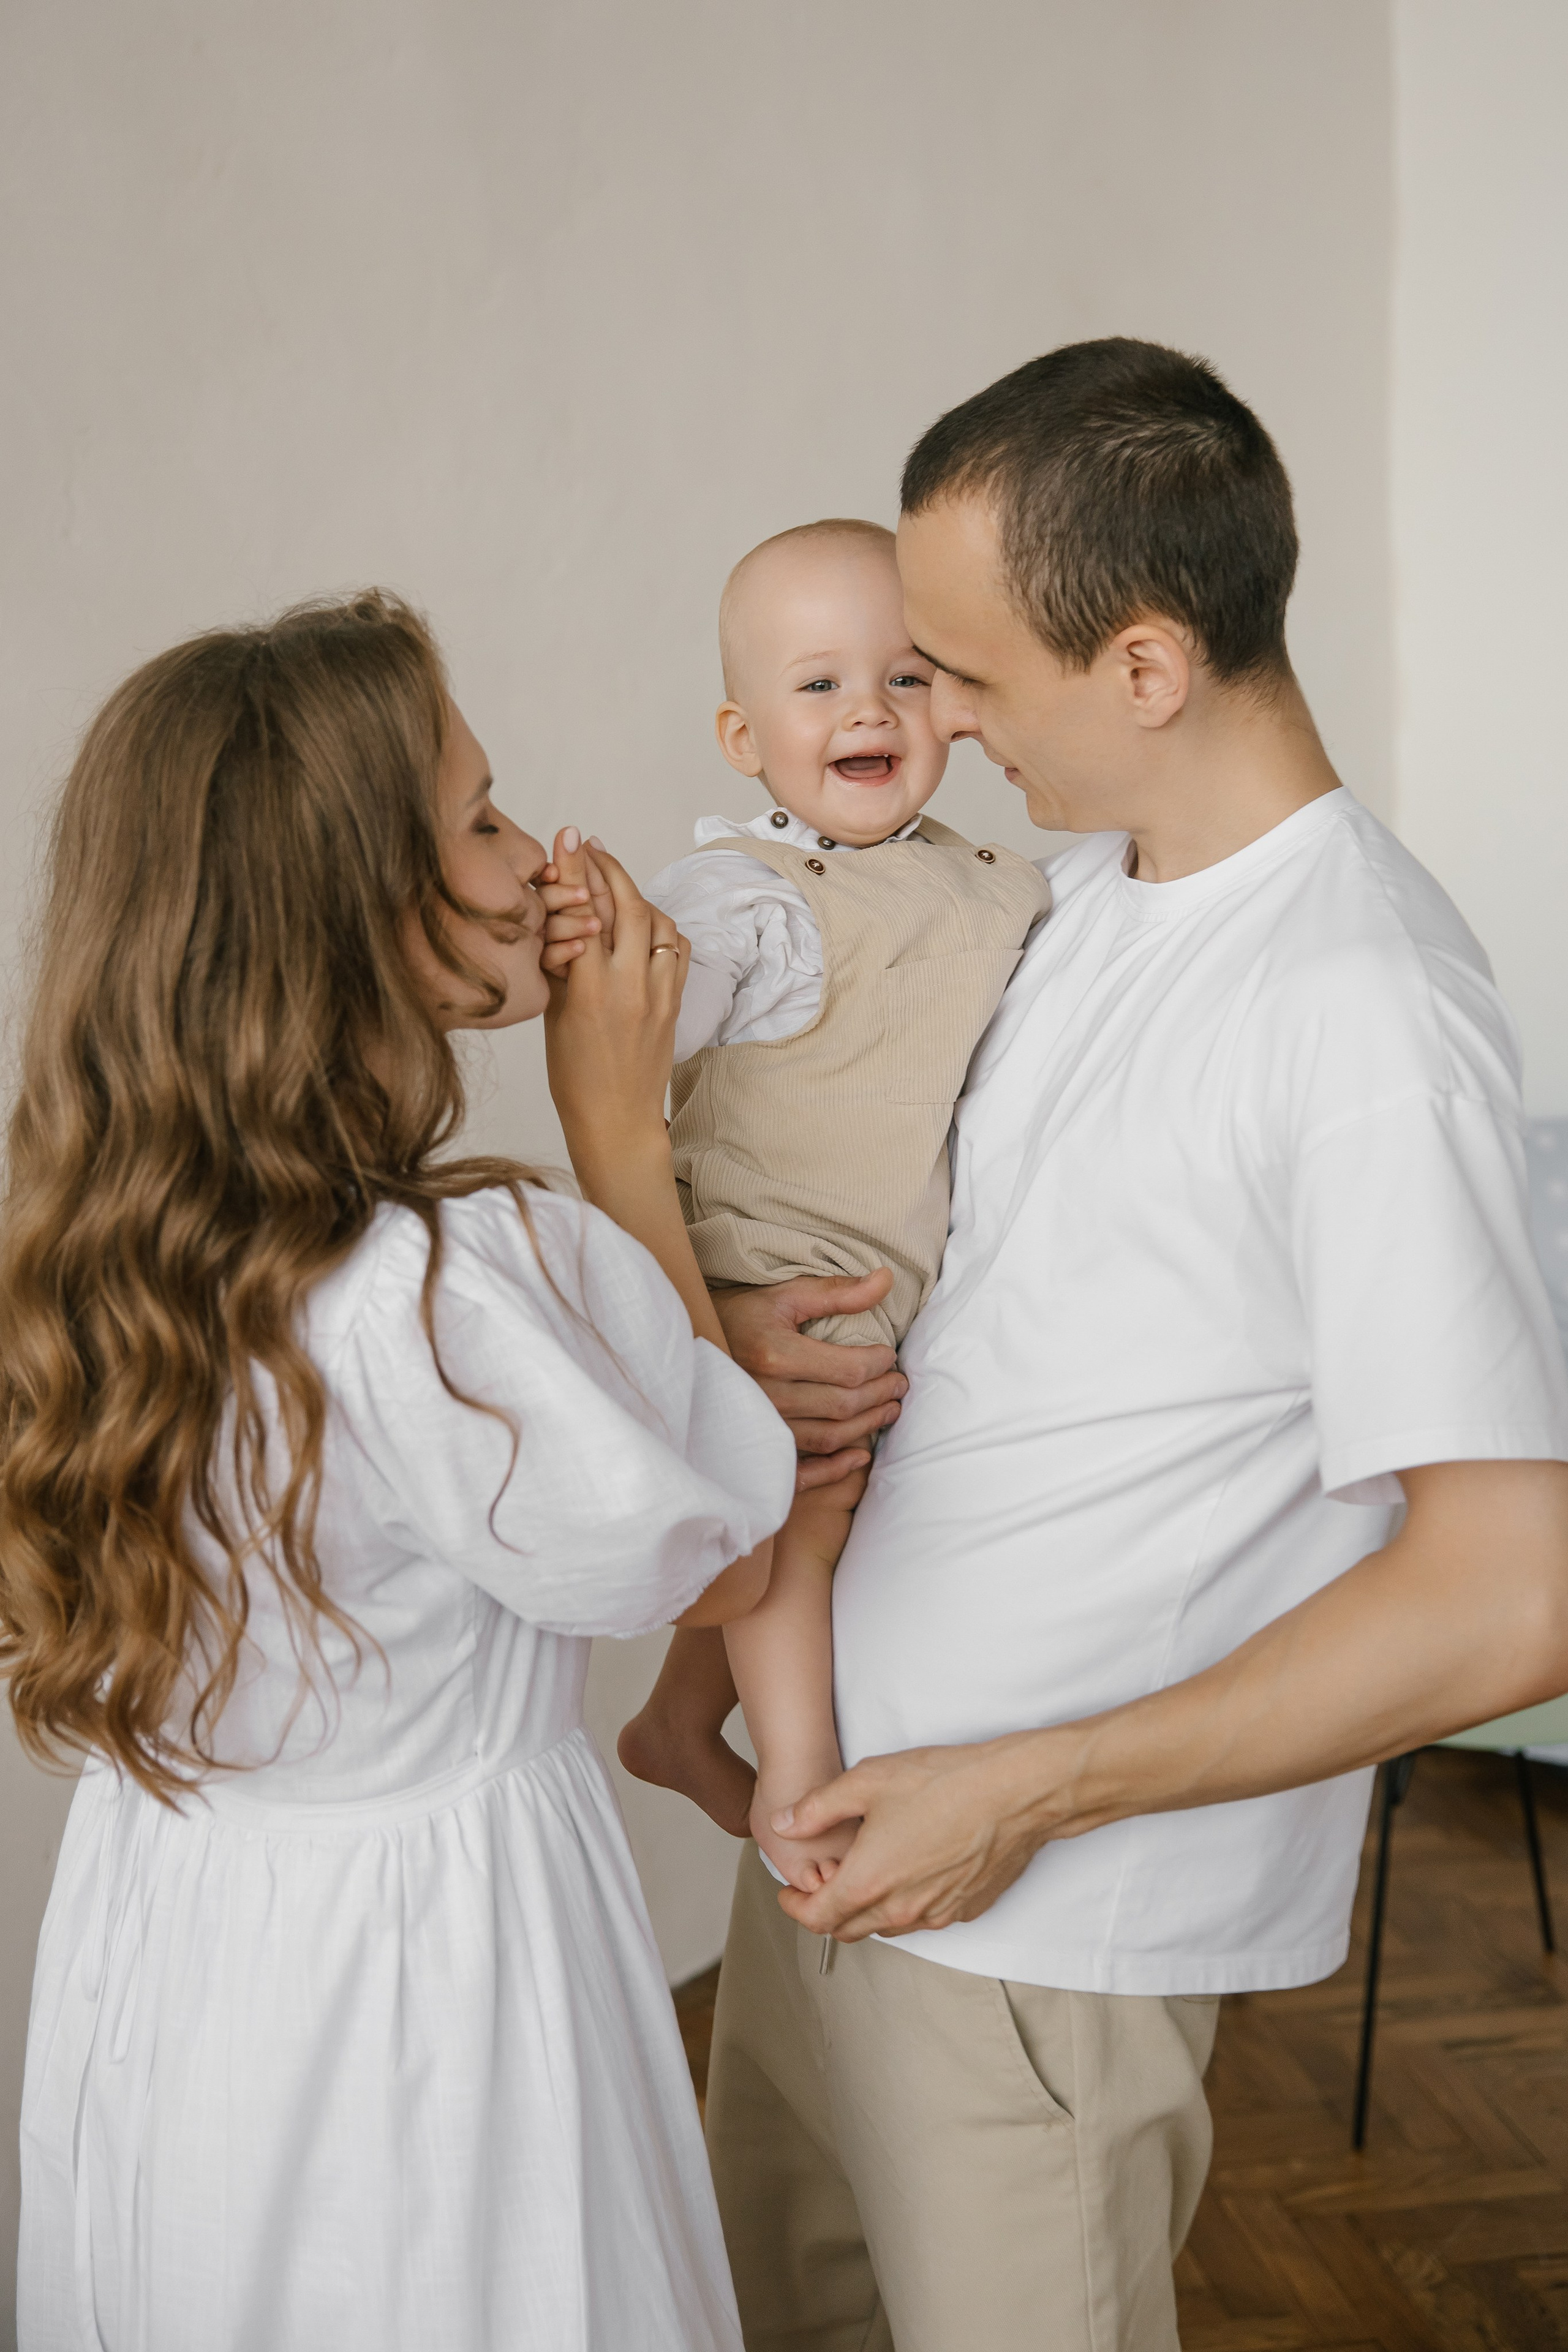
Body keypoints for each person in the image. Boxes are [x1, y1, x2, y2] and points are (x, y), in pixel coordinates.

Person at [699, 341, 1568, 2352]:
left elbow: (1514, 1597)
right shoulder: (1059, 896)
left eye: (968, 674)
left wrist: (1019, 1795)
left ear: (1148, 669)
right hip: (824, 1833)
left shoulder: (1366, 1017)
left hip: (1036, 1937)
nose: (934, 718)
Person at [1, 593, 794, 2352]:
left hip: (181, 1933)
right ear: (360, 909)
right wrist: (622, 1138)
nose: (535, 863)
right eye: (485, 819)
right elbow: (718, 1558)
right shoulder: (444, 1291)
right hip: (418, 1971)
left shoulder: (118, 1259)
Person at [576, 518, 1046, 1887]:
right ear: (744, 737)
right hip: (773, 1253)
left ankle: (675, 1720)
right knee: (804, 1499)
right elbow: (647, 1030)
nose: (868, 712)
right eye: (820, 684)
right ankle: (798, 1770)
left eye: (905, 679)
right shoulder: (748, 899)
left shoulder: (984, 877)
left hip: (882, 1263)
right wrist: (619, 959)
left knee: (775, 1502)